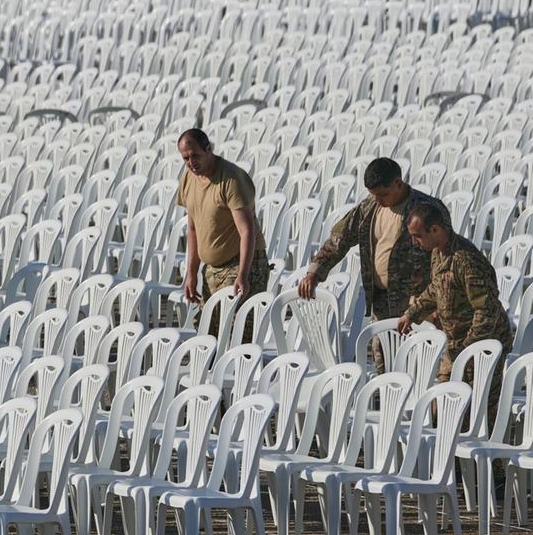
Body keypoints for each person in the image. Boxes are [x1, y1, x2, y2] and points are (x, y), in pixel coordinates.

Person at [398, 202, 512, 420]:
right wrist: (412, 313)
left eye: (418, 235)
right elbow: (437, 289)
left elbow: (485, 310)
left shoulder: (465, 259)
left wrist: (469, 350)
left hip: (483, 345)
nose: (414, 242)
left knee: (479, 412)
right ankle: (446, 453)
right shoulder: (438, 253)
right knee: (442, 408)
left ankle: (486, 455)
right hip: (457, 345)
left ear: (435, 229)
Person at [299, 158, 448, 322]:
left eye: (383, 194)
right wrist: (315, 272)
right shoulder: (369, 208)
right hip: (382, 301)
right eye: (373, 194)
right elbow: (341, 238)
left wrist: (440, 303)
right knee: (381, 347)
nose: (377, 199)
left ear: (398, 183)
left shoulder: (428, 209)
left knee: (416, 347)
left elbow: (447, 256)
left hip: (419, 303)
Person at [177, 128, 269, 313]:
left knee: (238, 332)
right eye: (186, 158)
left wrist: (243, 274)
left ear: (208, 149)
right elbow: (193, 228)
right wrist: (191, 273)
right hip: (212, 268)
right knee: (210, 332)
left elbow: (246, 231)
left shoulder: (231, 180)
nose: (191, 163)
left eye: (195, 156)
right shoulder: (188, 177)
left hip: (242, 263)